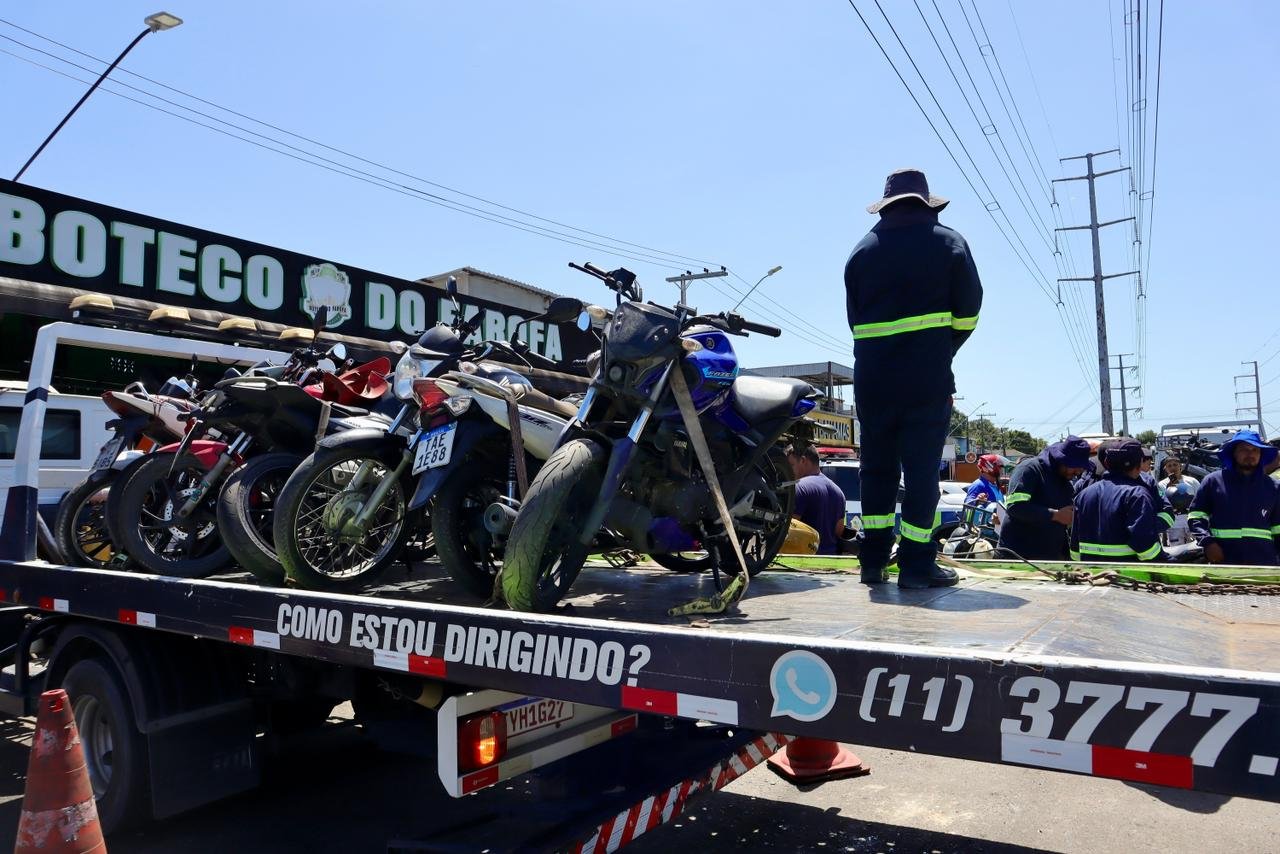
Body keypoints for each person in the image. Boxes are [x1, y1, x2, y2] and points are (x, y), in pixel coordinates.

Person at [844, 168, 982, 588]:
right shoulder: (950, 243)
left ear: (887, 205)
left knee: (876, 471)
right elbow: (969, 311)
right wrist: (941, 349)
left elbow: (856, 323)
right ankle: (917, 567)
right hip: (925, 379)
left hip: (871, 380)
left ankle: (872, 563)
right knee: (922, 473)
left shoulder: (860, 251)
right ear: (926, 202)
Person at [1187, 430, 1280, 566]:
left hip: (1263, 565)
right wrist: (1208, 543)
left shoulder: (1274, 487)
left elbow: (1278, 528)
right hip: (1223, 562)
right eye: (1244, 449)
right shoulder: (1213, 481)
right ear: (1233, 452)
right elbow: (1196, 516)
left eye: (1255, 450)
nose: (1250, 454)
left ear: (1261, 455)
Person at [1071, 438, 1166, 563]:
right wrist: (1168, 561)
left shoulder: (1083, 495)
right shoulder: (1137, 495)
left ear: (1106, 463)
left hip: (1092, 576)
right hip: (1129, 576)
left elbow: (1075, 550)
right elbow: (1147, 550)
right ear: (1138, 466)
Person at [997, 436, 1091, 560]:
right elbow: (1015, 506)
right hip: (1019, 557)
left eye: (1081, 468)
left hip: (1051, 558)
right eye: (1075, 466)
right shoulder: (1029, 469)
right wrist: (1055, 515)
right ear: (1061, 460)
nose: (1078, 472)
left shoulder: (1063, 480)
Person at [786, 444, 846, 556]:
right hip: (831, 561)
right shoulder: (839, 492)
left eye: (791, 465)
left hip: (801, 560)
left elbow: (789, 529)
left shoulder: (799, 487)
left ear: (803, 461)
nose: (789, 471)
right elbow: (839, 530)